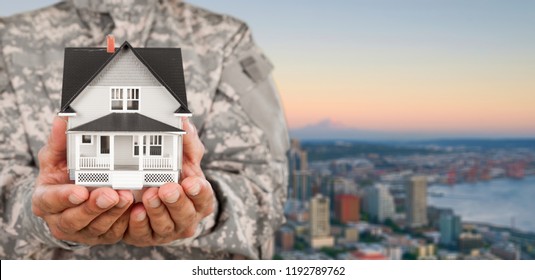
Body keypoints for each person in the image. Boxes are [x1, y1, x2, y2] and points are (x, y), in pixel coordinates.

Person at [0, 0, 289, 259]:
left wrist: (205, 208)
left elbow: (265, 191)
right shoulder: (7, 39)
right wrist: (36, 212)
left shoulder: (225, 40)